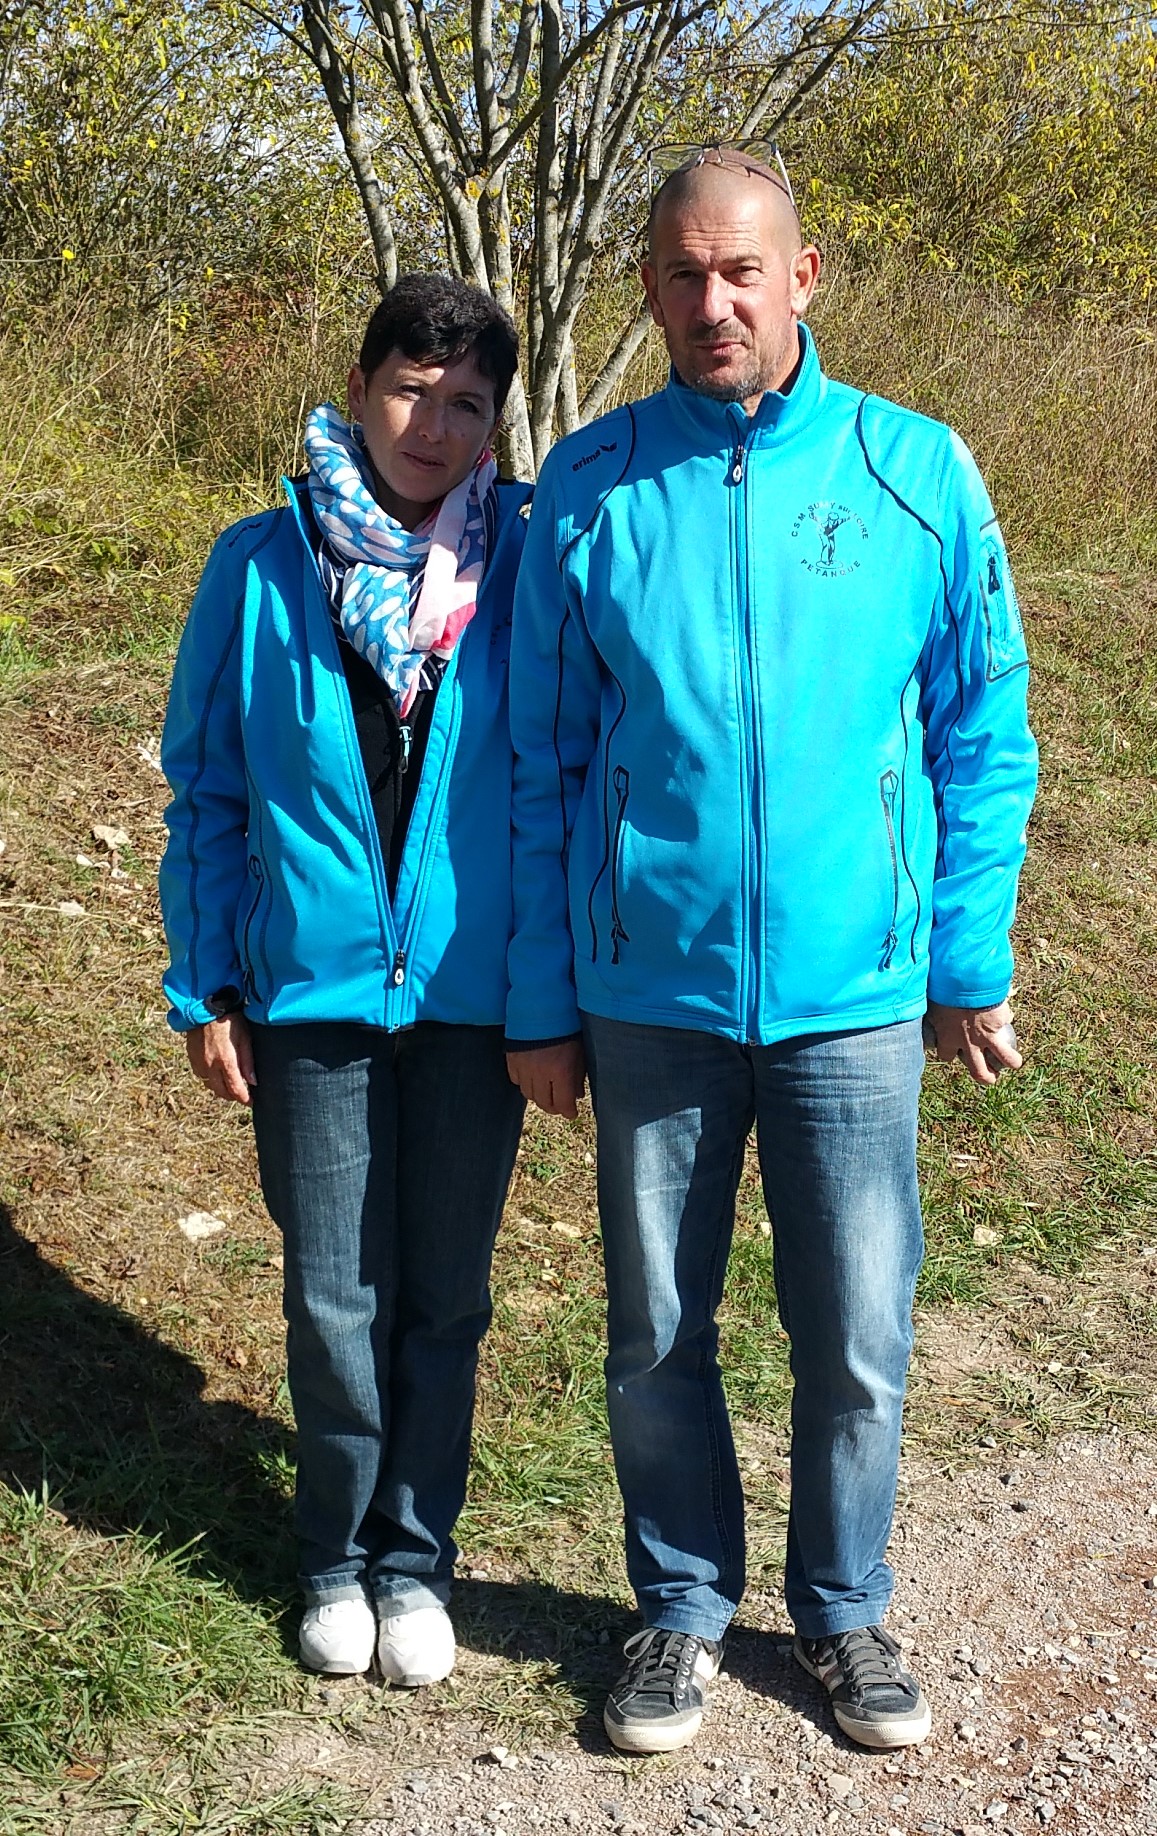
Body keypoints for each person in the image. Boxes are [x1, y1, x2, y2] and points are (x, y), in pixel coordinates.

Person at [505, 145, 1038, 1755]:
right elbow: (535, 759)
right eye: (680, 274)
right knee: (653, 1329)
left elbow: (980, 726)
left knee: (858, 1325)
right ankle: (675, 1608)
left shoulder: (915, 472)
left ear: (803, 275)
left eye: (741, 269)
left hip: (850, 998)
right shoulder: (588, 490)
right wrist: (541, 995)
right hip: (645, 990)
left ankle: (844, 1608)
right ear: (649, 289)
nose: (711, 301)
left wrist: (964, 955)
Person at [159, 274, 529, 1685]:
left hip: (467, 995)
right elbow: (205, 789)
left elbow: (552, 784)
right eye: (408, 388)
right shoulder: (255, 567)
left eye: (465, 403)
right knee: (333, 1296)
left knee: (444, 1296)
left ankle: (414, 1561)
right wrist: (205, 983)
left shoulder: (525, 569)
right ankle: (332, 1558)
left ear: (494, 423)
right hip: (306, 991)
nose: (430, 425)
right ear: (359, 383)